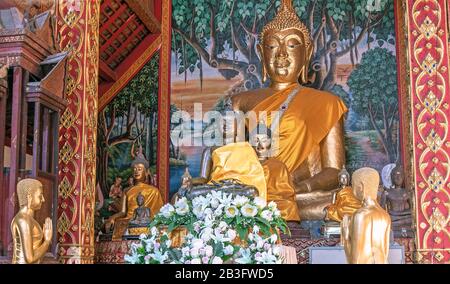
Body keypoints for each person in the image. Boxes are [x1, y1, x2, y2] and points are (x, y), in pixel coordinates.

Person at [341, 168, 391, 264]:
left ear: (361, 187)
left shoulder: (360, 216)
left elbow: (355, 259)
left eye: (352, 185)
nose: (351, 189)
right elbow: (385, 252)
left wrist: (346, 236)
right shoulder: (385, 216)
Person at [10, 179, 52, 264]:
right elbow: (29, 258)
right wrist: (47, 241)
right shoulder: (23, 220)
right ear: (29, 197)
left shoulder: (27, 219)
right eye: (40, 196)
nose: (43, 199)